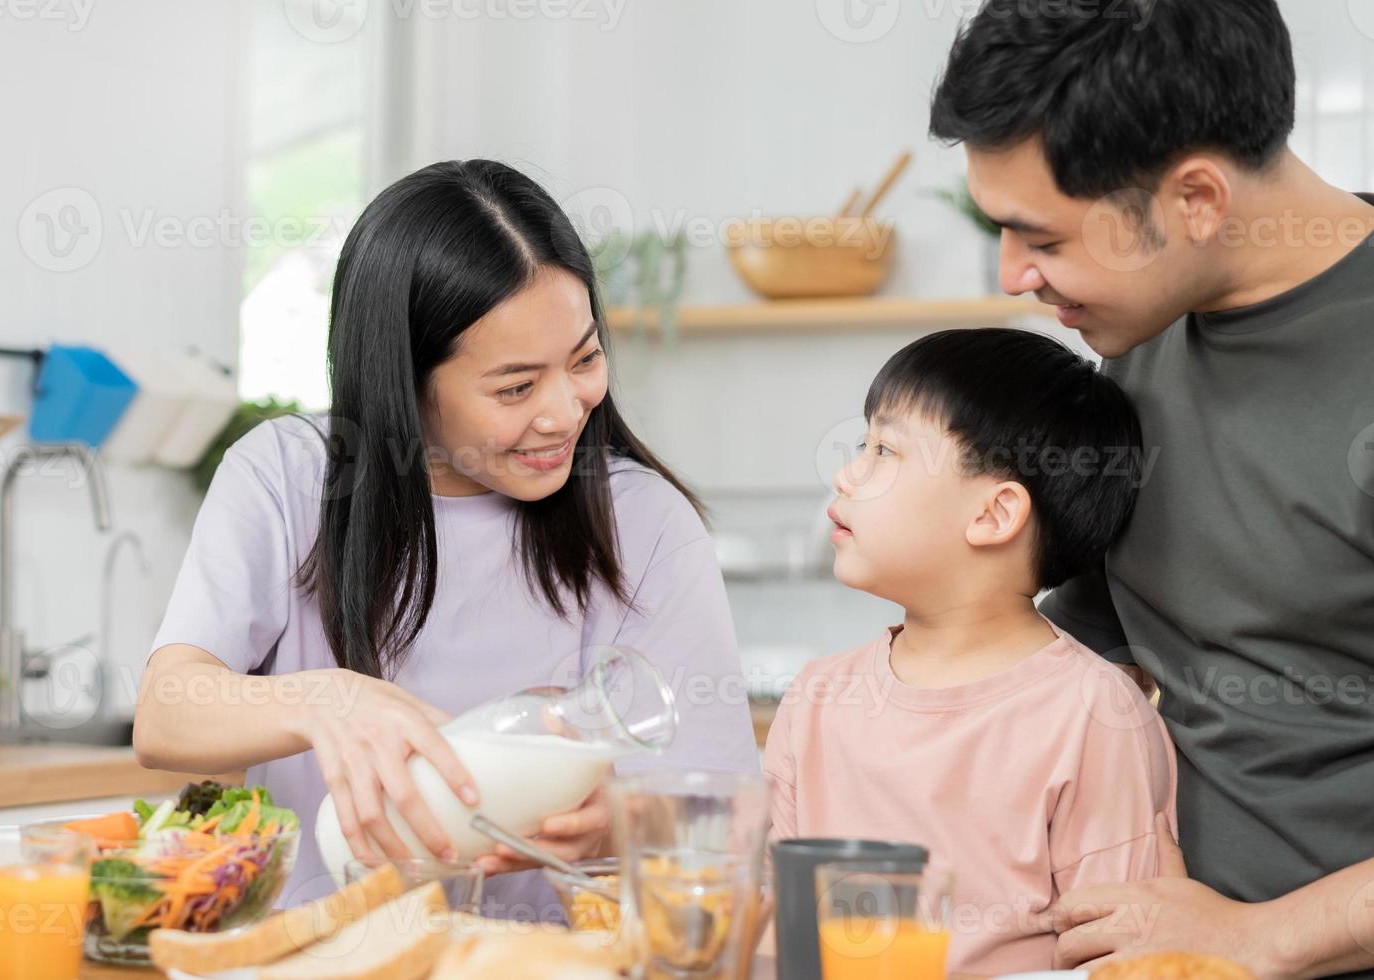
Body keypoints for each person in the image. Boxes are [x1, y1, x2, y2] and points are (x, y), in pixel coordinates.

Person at [133, 159, 758, 916]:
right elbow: (165, 712)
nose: (565, 411)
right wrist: (326, 700)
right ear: (403, 381)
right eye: (516, 387)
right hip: (320, 954)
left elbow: (719, 815)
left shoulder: (646, 524)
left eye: (586, 359)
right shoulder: (288, 477)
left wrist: (617, 824)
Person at [929, 1, 1374, 974]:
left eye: (1042, 239)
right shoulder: (1141, 341)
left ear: (1194, 199)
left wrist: (1260, 935)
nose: (1014, 273)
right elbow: (1093, 630)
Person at [764, 328, 1175, 975]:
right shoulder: (818, 696)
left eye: (883, 450)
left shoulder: (1094, 715)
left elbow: (1118, 957)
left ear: (993, 514)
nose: (846, 473)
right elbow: (777, 934)